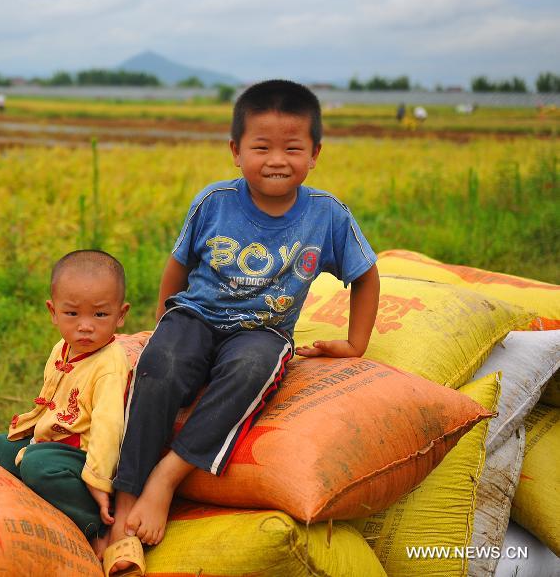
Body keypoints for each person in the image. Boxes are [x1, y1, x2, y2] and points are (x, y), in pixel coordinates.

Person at [104, 79, 380, 576]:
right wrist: (163, 325)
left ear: (315, 153)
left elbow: (365, 275)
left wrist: (355, 343)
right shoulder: (214, 202)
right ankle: (126, 498)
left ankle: (166, 479)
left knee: (252, 367)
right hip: (195, 315)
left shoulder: (326, 215)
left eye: (292, 148)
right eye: (261, 147)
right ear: (236, 151)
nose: (277, 159)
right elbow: (178, 267)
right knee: (161, 366)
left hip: (263, 330)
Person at [0, 250, 132, 557]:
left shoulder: (109, 365)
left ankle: (94, 528)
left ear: (121, 315)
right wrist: (31, 431)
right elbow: (50, 396)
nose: (85, 326)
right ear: (53, 312)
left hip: (85, 458)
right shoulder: (62, 348)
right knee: (0, 447)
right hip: (53, 441)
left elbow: (109, 427)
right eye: (72, 314)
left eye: (100, 315)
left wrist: (99, 480)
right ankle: (35, 509)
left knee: (38, 466)